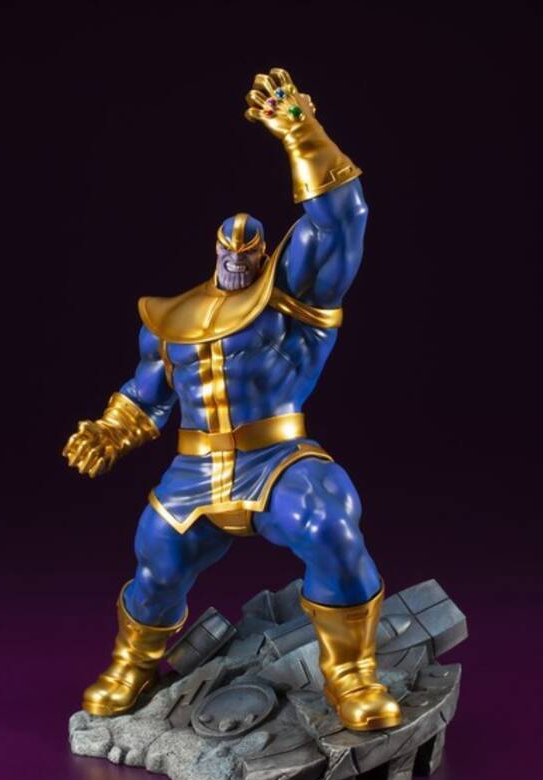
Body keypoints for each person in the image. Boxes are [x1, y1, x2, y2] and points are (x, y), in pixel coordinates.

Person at [63, 68, 401, 733]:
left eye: (251, 251)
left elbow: (342, 221)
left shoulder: (291, 297)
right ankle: (135, 661)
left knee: (329, 524)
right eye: (231, 252)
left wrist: (302, 132)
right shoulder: (174, 321)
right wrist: (108, 431)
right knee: (156, 558)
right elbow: (147, 394)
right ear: (215, 252)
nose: (240, 260)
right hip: (194, 470)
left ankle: (352, 674)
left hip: (276, 457)